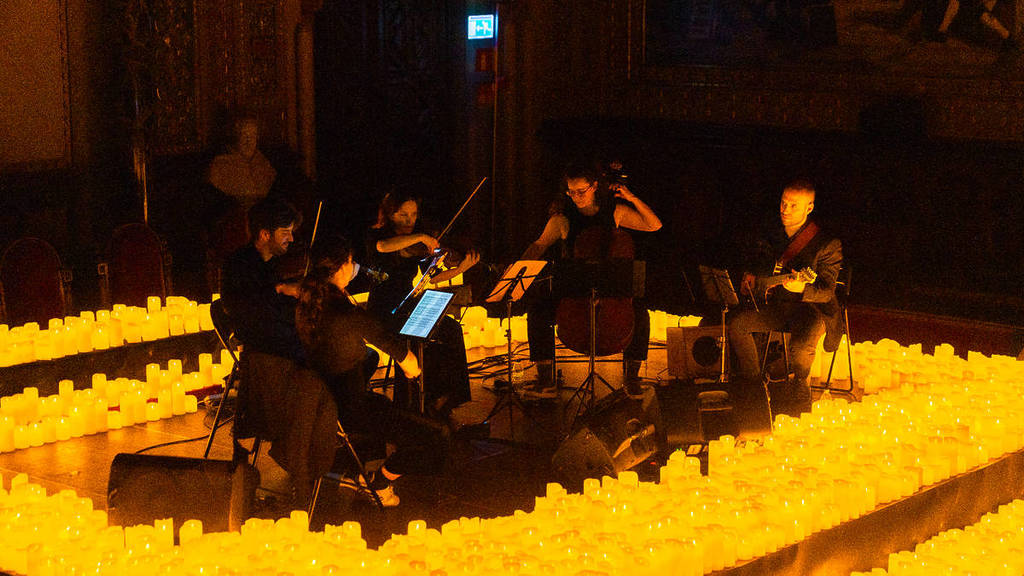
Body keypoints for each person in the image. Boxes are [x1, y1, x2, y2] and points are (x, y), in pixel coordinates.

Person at [296, 234, 446, 507]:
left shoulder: (310, 306)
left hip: (327, 404)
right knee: (435, 436)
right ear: (340, 267)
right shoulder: (346, 314)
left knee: (375, 376)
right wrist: (409, 363)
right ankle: (378, 481)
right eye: (350, 261)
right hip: (352, 411)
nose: (354, 267)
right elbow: (397, 350)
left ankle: (367, 470)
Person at [520, 162, 663, 400]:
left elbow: (654, 225)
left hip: (611, 291)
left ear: (595, 186)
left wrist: (631, 198)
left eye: (581, 191)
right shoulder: (562, 220)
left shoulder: (615, 212)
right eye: (571, 192)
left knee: (640, 314)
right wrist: (519, 269)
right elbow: (538, 246)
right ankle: (546, 381)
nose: (576, 197)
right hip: (575, 295)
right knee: (538, 311)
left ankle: (632, 378)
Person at [728, 179, 842, 415]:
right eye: (783, 203)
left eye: (793, 205)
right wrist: (751, 276)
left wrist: (802, 289)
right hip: (778, 307)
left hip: (812, 310)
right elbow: (758, 264)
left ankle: (801, 387)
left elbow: (826, 291)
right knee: (738, 325)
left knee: (800, 346)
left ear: (809, 207)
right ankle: (754, 383)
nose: (785, 210)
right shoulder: (771, 234)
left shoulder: (827, 244)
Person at [364, 191, 479, 421]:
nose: (410, 220)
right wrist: (421, 237)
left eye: (414, 214)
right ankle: (415, 407)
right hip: (384, 310)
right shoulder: (377, 235)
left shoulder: (417, 241)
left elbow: (433, 278)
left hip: (409, 304)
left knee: (451, 329)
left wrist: (461, 269)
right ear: (390, 214)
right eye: (403, 215)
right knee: (420, 338)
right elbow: (383, 247)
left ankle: (446, 400)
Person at [220, 197, 305, 363]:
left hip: (281, 339)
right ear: (265, 234)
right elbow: (243, 309)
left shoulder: (271, 262)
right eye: (285, 233)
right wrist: (278, 289)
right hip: (262, 347)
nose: (291, 239)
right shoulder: (237, 264)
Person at [207, 116, 277, 210]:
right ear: (236, 137)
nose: (248, 141)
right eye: (244, 135)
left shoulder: (265, 164)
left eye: (252, 136)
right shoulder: (220, 165)